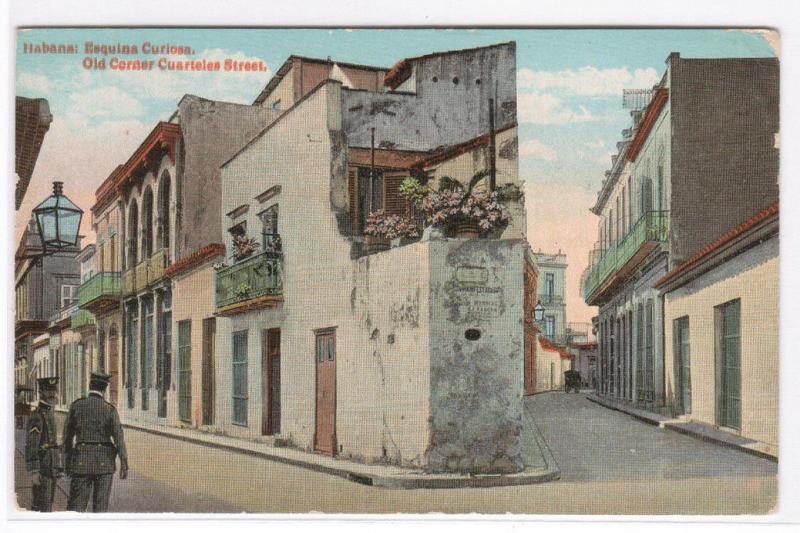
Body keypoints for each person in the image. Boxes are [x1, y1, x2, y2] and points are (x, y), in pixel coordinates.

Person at [63, 372, 128, 512]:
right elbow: (119, 439)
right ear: (104, 389)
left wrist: (66, 463)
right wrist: (124, 463)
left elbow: (67, 439)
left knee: (76, 508)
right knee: (100, 508)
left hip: (81, 462)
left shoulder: (76, 406)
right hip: (104, 465)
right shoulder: (109, 409)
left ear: (90, 385)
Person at [25, 377, 63, 512]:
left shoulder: (49, 412)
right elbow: (31, 445)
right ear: (41, 392)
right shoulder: (37, 415)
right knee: (41, 508)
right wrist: (34, 471)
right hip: (42, 470)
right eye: (48, 390)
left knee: (47, 506)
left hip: (51, 469)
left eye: (54, 390)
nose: (53, 393)